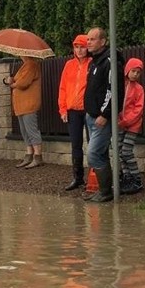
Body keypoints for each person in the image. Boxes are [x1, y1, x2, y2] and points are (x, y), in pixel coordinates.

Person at [83, 27, 125, 203]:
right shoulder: (95, 62)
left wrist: (105, 114)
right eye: (88, 39)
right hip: (91, 116)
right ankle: (104, 190)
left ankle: (107, 191)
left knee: (93, 154)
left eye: (92, 39)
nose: (88, 43)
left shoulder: (110, 61)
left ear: (103, 41)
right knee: (100, 154)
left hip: (101, 118)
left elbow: (113, 90)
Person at [58, 34, 91, 190]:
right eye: (76, 47)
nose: (79, 50)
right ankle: (77, 177)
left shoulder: (92, 63)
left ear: (88, 47)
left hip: (89, 110)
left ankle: (94, 178)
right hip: (72, 111)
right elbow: (63, 88)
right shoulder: (68, 65)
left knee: (93, 145)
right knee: (76, 144)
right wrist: (62, 109)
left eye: (82, 46)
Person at [3, 55, 44, 168]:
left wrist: (12, 84)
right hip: (21, 105)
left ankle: (37, 156)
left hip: (29, 104)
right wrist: (9, 80)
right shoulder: (24, 66)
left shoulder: (31, 65)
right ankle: (29, 154)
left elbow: (23, 83)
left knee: (31, 130)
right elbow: (18, 80)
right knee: (24, 131)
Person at [118, 58, 145, 195]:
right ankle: (127, 177)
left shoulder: (139, 89)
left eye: (138, 72)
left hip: (132, 125)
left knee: (126, 151)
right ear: (127, 70)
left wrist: (126, 121)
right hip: (119, 124)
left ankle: (136, 179)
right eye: (133, 71)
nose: (135, 74)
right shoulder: (120, 85)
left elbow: (138, 109)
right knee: (119, 151)